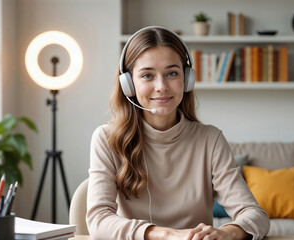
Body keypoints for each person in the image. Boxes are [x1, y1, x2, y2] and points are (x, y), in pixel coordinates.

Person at [86, 26, 270, 240]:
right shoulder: (107, 139)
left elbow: (256, 216)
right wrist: (168, 235)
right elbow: (98, 221)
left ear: (187, 79)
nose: (161, 86)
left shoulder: (210, 140)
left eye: (172, 73)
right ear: (129, 84)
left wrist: (227, 233)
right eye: (147, 75)